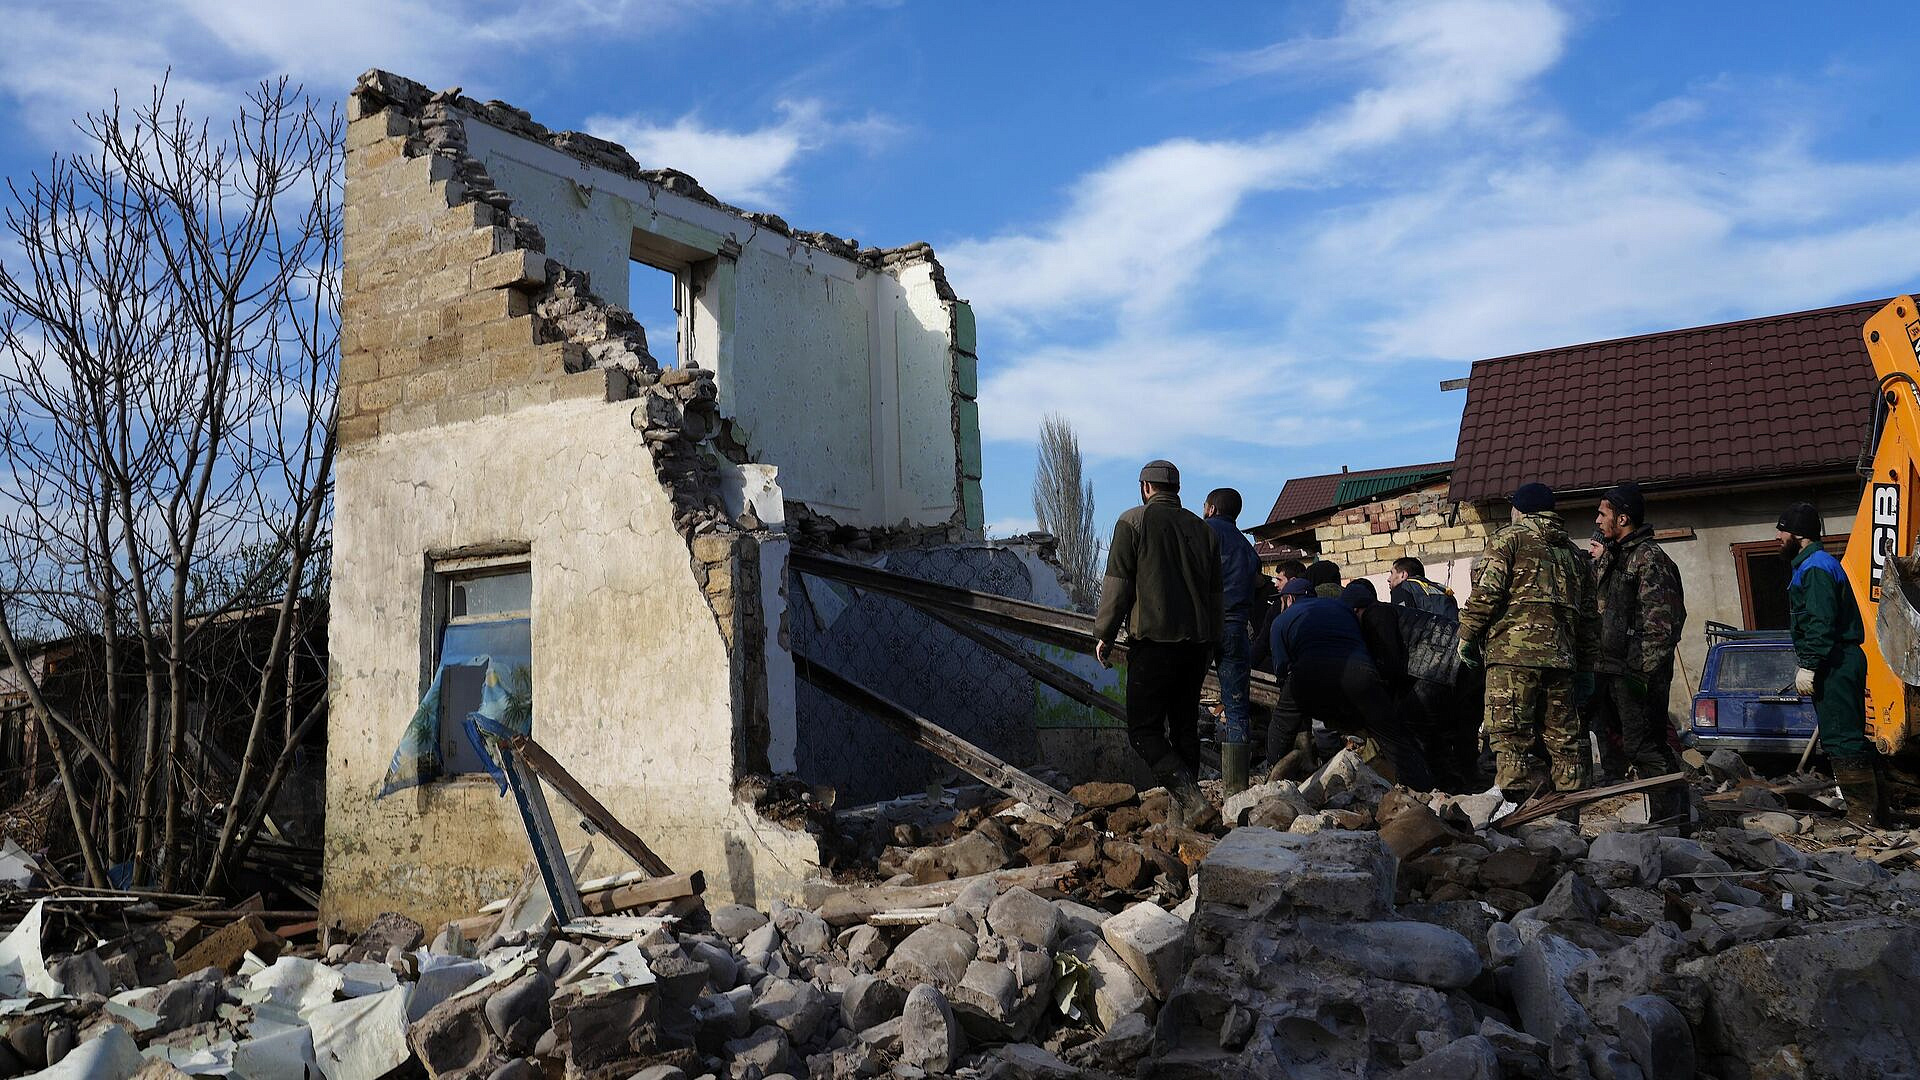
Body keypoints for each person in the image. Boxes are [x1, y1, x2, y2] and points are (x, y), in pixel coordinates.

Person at [1093, 460, 1222, 826]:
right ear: (1176, 489)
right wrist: (1214, 640)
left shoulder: (1133, 522)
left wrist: (1104, 633)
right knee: (1184, 727)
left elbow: (1118, 584)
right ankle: (1183, 818)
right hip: (1197, 645)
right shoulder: (1203, 529)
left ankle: (1192, 800)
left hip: (1154, 643)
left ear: (1145, 488)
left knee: (1144, 731)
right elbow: (1216, 595)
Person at [1457, 482, 1599, 801]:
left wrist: (1466, 635)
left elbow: (1487, 593)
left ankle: (1520, 824)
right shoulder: (1575, 556)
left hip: (1511, 658)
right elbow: (1590, 619)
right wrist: (1587, 667)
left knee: (1510, 740)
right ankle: (1570, 818)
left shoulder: (1509, 538)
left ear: (1519, 510)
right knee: (1565, 741)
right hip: (1561, 662)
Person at [1777, 501, 1886, 826]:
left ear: (1799, 534)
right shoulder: (1815, 565)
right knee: (1850, 735)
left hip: (1834, 660)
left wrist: (1810, 664)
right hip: (1839, 657)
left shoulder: (1814, 570)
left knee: (1842, 737)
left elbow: (1821, 622)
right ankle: (1875, 814)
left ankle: (1862, 818)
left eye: (1782, 531)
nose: (1778, 537)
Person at [1268, 577, 1434, 788]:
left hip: (1309, 672)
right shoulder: (1341, 607)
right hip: (1360, 673)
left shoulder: (1282, 620)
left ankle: (1272, 780)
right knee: (1391, 733)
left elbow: (1282, 668)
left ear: (1289, 599)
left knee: (1282, 721)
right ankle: (1423, 787)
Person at [1590, 481, 1684, 804]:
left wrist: (1639, 675)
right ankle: (1659, 818)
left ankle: (1671, 818)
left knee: (1647, 747)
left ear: (1623, 519)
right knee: (1627, 745)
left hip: (1638, 676)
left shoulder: (1650, 560)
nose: (1598, 521)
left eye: (1604, 514)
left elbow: (1661, 626)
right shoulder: (1613, 557)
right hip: (1611, 671)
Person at [1203, 487, 1261, 794]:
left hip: (1203, 627)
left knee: (1183, 703)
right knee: (1237, 707)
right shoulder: (1247, 547)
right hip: (1237, 629)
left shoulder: (1203, 532)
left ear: (1211, 509)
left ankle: (1183, 791)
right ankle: (1235, 790)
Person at [1389, 557, 1458, 619]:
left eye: (1392, 573)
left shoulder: (1402, 588)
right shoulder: (1441, 588)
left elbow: (1403, 621)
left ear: (1403, 575)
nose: (1389, 579)